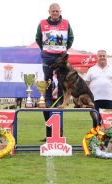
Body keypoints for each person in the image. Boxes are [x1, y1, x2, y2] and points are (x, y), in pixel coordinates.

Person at [35, 3, 74, 139]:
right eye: (53, 11)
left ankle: (61, 99)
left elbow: (70, 39)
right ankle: (46, 100)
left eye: (57, 11)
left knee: (62, 81)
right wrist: (46, 49)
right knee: (47, 80)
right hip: (47, 56)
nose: (55, 13)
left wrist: (62, 50)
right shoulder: (42, 23)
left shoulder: (66, 23)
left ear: (60, 11)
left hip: (61, 57)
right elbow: (38, 39)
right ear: (49, 12)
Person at [85, 50, 112, 127]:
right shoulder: (91, 69)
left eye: (103, 56)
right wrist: (86, 100)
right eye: (100, 56)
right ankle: (96, 139)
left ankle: (108, 139)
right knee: (96, 123)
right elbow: (86, 85)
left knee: (109, 124)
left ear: (106, 57)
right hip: (94, 101)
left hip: (110, 100)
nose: (102, 57)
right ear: (97, 57)